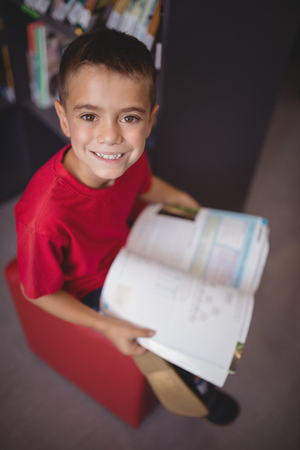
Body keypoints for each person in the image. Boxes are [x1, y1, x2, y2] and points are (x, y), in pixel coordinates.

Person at [15, 28, 238, 425]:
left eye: (129, 118)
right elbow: (38, 294)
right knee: (164, 331)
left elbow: (149, 187)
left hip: (129, 246)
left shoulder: (126, 161)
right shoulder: (43, 217)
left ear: (150, 121)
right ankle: (196, 383)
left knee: (209, 286)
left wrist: (187, 204)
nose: (110, 137)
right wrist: (106, 325)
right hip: (91, 286)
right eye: (88, 116)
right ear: (64, 119)